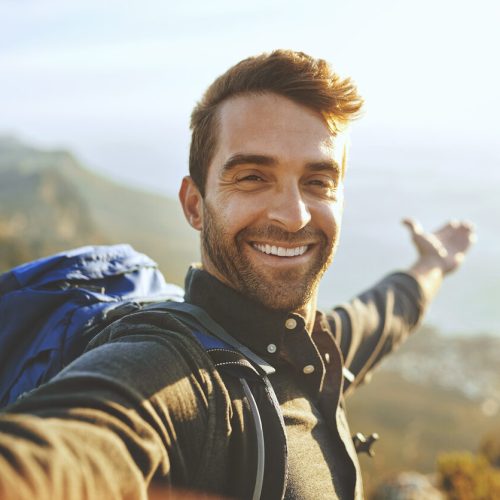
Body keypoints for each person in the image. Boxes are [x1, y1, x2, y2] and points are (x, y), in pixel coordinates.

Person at [0, 50, 475, 500]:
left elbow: (385, 312)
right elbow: (59, 449)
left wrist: (431, 267)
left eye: (318, 182)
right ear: (194, 205)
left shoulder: (314, 350)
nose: (294, 217)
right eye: (252, 176)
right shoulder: (171, 370)